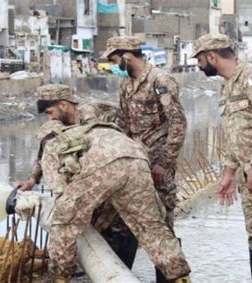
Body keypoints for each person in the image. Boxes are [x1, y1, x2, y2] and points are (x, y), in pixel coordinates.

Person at [34, 92, 191, 282]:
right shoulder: (87, 129)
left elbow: (61, 193)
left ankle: (60, 278)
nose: (50, 116)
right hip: (136, 156)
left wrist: (71, 212)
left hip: (105, 164)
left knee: (64, 222)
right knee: (152, 227)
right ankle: (180, 277)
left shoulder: (52, 145)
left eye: (49, 112)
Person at [192, 33, 252, 283]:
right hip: (250, 174)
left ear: (212, 56)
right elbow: (236, 132)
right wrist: (228, 173)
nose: (199, 66)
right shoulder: (227, 86)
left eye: (201, 60)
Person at [16, 84, 139, 268]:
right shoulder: (63, 123)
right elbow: (46, 150)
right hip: (97, 172)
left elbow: (97, 155)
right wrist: (32, 180)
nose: (51, 119)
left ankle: (122, 269)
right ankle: (99, 264)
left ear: (63, 105)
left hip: (122, 165)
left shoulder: (90, 115)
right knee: (92, 219)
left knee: (119, 221)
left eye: (50, 113)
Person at [101, 35, 187, 281]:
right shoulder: (126, 84)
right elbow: (125, 125)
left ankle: (170, 278)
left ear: (127, 56)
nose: (114, 65)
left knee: (161, 225)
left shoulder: (160, 81)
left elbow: (178, 124)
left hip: (158, 165)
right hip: (134, 165)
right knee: (123, 221)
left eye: (115, 59)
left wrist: (165, 164)